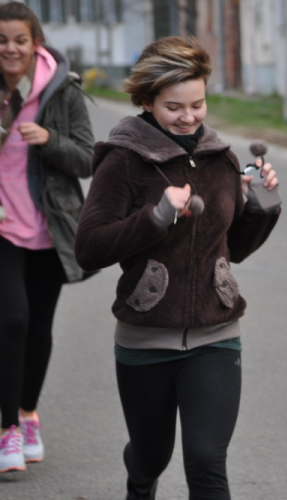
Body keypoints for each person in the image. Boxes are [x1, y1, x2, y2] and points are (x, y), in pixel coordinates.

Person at [74, 37, 280, 499]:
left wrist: (263, 208)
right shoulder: (124, 161)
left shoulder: (221, 157)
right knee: (152, 455)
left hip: (216, 332)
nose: (189, 117)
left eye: (198, 103)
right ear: (146, 101)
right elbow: (88, 247)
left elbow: (233, 249)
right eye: (174, 107)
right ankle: (139, 476)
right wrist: (155, 219)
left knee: (207, 461)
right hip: (146, 336)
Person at [0, 1, 94, 474]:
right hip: (2, 228)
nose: (10, 49)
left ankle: (27, 413)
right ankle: (6, 431)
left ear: (35, 42)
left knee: (38, 328)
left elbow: (88, 158)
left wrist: (48, 140)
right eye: (2, 41)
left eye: (19, 40)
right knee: (11, 321)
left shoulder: (62, 91)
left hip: (49, 226)